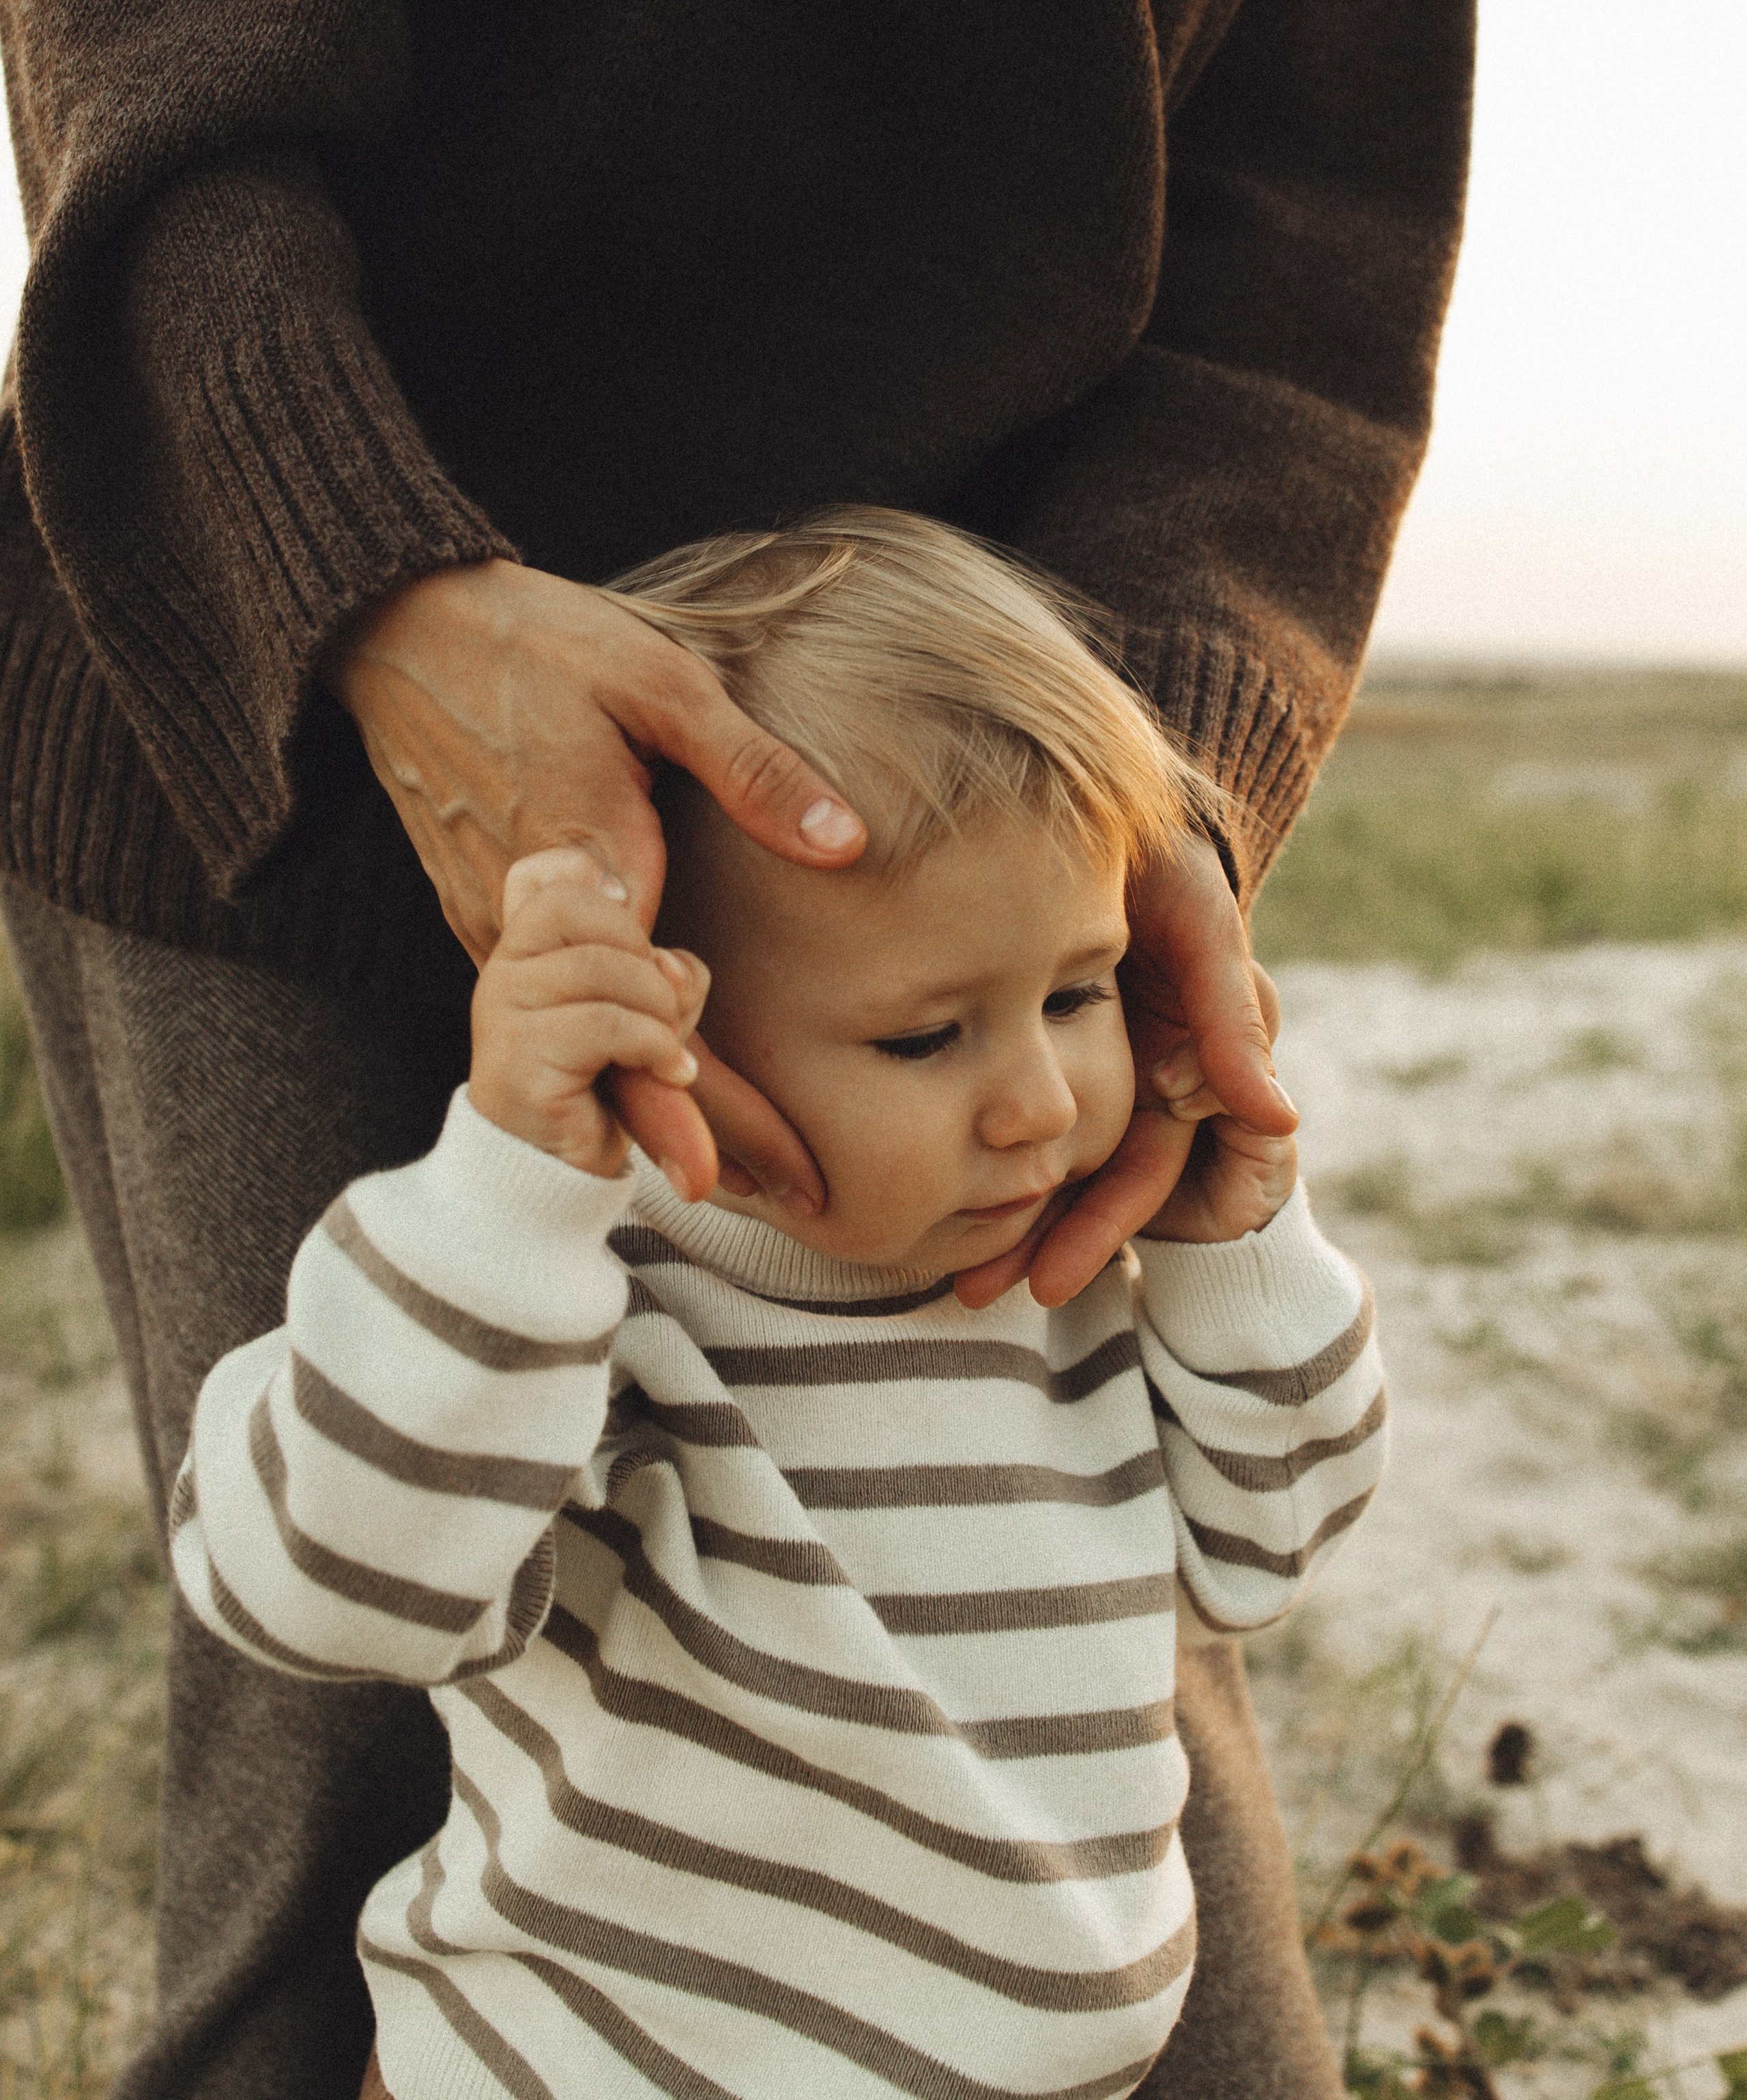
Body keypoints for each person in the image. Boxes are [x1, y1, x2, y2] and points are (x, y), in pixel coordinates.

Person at [0, 0, 1495, 2090]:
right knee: (316, 1858)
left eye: (1042, 1032)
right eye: (960, 1052)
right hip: (264, 627)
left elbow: (1309, 287)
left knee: (1198, 1908)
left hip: (954, 734)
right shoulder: (557, 1254)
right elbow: (149, 25)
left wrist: (1108, 821)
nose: (1043, 1099)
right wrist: (366, 597)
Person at [170, 513, 1389, 2100]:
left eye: (1075, 993)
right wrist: (510, 1189)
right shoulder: (590, 1311)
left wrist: (1238, 1242)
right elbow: (320, 1587)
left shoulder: (1072, 1284)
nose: (1034, 1103)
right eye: (921, 1038)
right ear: (669, 1019)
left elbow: (1268, 1545)